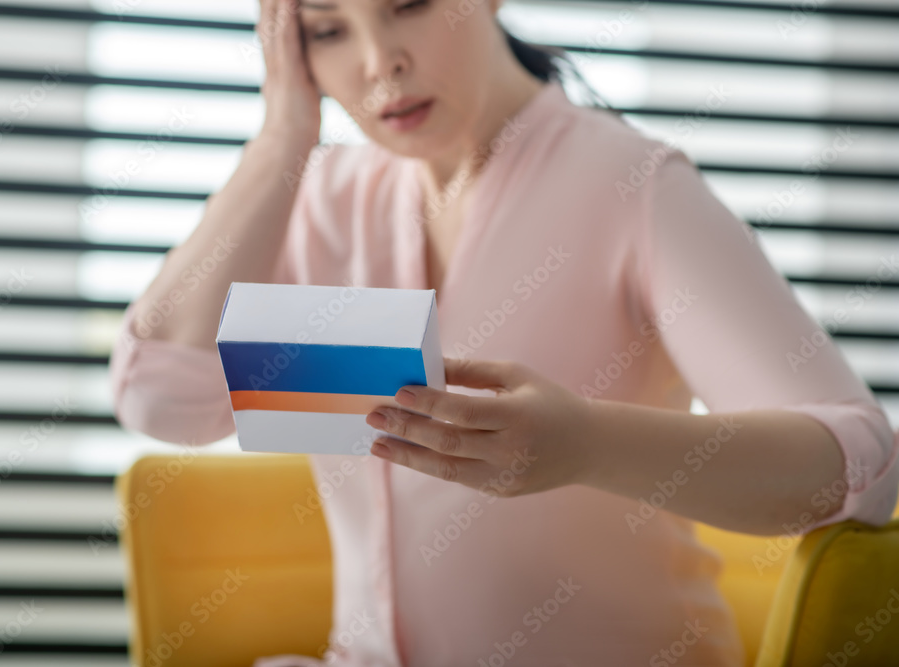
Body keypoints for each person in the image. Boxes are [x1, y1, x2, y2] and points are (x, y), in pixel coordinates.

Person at [107, 0, 899, 662]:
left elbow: (858, 463)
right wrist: (280, 139)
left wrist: (585, 443)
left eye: (407, 5)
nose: (380, 61)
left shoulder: (630, 186)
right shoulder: (321, 204)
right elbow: (163, 397)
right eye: (326, 29)